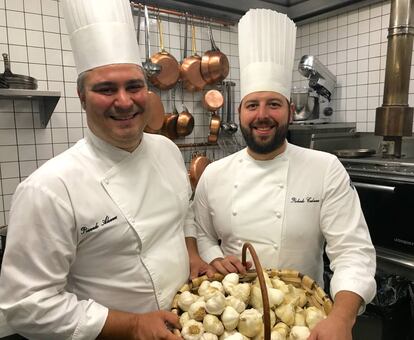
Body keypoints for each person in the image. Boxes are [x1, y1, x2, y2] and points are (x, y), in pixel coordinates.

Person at [0, 0, 211, 339]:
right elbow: (26, 305)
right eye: (105, 89)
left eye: (133, 86)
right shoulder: (51, 188)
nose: (124, 101)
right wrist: (135, 324)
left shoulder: (166, 149)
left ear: (148, 90)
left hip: (188, 322)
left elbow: (183, 212)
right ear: (82, 97)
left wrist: (192, 255)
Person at [189, 8, 377, 340]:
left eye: (273, 104)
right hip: (235, 319)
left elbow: (352, 251)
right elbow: (201, 234)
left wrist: (342, 318)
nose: (262, 115)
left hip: (304, 316)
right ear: (240, 112)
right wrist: (216, 258)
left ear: (290, 110)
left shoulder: (324, 168)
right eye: (252, 105)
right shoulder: (214, 174)